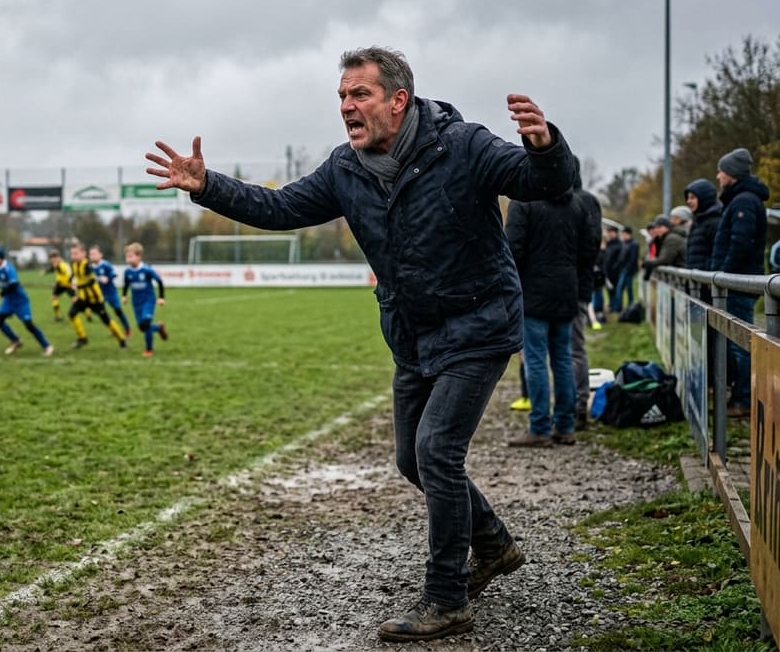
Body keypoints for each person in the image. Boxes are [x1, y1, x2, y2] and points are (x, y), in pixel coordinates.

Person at [147, 46, 576, 642]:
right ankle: (495, 545)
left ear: (398, 101)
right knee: (411, 460)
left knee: (436, 452)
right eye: (342, 97)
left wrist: (546, 145)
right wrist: (208, 186)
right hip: (413, 335)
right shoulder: (344, 170)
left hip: (479, 325)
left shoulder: (465, 146)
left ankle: (448, 598)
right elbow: (279, 207)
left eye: (360, 95)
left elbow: (542, 183)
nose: (347, 107)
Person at [505, 166, 593, 447]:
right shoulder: (577, 205)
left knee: (535, 361)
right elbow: (587, 251)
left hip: (533, 294)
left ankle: (540, 427)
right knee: (563, 359)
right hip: (566, 291)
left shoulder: (523, 202)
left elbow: (512, 250)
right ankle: (565, 425)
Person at [710, 148, 770, 418]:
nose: (718, 175)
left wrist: (723, 274)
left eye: (722, 170)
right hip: (736, 281)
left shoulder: (744, 201)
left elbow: (740, 243)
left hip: (737, 284)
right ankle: (742, 395)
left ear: (732, 174)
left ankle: (745, 399)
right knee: (737, 342)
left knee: (740, 343)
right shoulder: (741, 199)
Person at [0, 244, 53, 356]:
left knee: (28, 325)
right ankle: (16, 341)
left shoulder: (9, 268)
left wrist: (0, 294)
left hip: (20, 301)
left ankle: (47, 346)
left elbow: (14, 285)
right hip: (8, 301)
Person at [571, 185, 603, 430]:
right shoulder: (584, 201)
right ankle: (572, 406)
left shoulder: (581, 201)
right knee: (569, 352)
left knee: (571, 350)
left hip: (574, 287)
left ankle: (578, 405)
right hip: (575, 285)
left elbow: (591, 246)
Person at [66, 243, 127, 349]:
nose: (73, 256)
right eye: (72, 254)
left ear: (84, 254)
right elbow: (72, 277)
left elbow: (91, 281)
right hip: (83, 298)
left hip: (95, 299)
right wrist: (71, 284)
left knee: (106, 320)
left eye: (76, 253)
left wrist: (78, 286)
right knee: (72, 313)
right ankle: (82, 338)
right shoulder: (73, 264)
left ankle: (121, 339)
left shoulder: (88, 265)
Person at [122, 242, 168, 356]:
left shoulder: (147, 270)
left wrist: (161, 297)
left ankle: (149, 350)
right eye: (127, 256)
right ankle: (158, 328)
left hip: (148, 300)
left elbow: (159, 281)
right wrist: (124, 295)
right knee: (142, 327)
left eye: (131, 256)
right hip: (136, 302)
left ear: (139, 256)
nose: (128, 259)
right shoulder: (127, 272)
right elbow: (126, 284)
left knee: (146, 323)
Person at [89, 245, 132, 336]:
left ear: (101, 255)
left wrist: (108, 278)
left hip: (111, 293)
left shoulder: (105, 264)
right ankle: (114, 329)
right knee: (102, 313)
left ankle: (127, 328)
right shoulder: (90, 268)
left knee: (117, 310)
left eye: (94, 254)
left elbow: (114, 273)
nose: (92, 256)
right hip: (99, 294)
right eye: (91, 254)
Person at [641, 215, 685, 281]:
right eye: (655, 227)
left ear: (667, 227)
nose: (657, 230)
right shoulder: (661, 239)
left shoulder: (671, 238)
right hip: (679, 275)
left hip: (683, 274)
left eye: (660, 227)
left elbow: (664, 259)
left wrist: (647, 263)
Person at [45, 249, 74, 322]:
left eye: (53, 259)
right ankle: (58, 316)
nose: (52, 261)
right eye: (51, 259)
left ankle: (87, 313)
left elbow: (67, 274)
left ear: (58, 258)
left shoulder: (63, 265)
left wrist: (71, 283)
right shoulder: (56, 265)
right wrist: (46, 272)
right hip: (60, 284)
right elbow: (53, 269)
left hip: (68, 284)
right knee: (53, 298)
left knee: (75, 300)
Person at [602, 226, 624, 313]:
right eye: (608, 232)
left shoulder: (620, 244)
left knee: (617, 290)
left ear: (615, 233)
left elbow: (620, 259)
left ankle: (618, 307)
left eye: (611, 232)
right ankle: (612, 305)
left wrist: (615, 268)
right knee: (609, 290)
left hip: (616, 272)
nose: (609, 234)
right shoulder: (608, 244)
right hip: (607, 272)